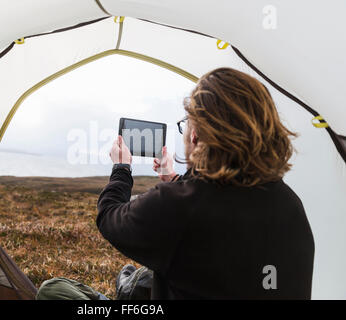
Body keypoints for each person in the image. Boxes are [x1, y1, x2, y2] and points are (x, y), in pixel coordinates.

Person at [96, 67, 315, 299]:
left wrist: (122, 167)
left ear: (196, 135)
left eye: (186, 123)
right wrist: (175, 180)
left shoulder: (178, 206)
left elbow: (109, 216)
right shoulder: (291, 206)